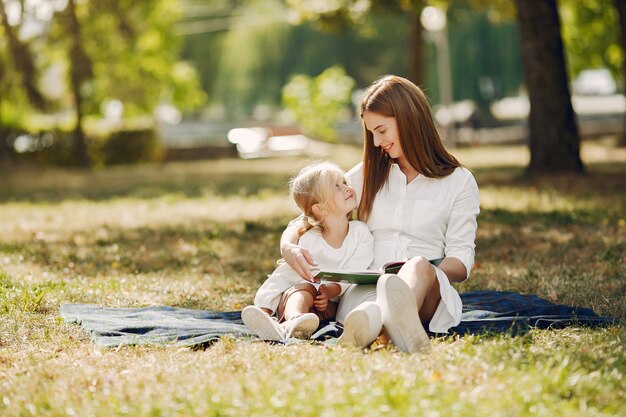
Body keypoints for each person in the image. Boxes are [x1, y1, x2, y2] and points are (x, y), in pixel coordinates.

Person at [279, 75, 480, 353]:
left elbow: (460, 263)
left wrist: (416, 271)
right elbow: (309, 215)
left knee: (417, 266)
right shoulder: (367, 175)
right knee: (369, 304)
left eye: (382, 130)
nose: (375, 142)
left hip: (427, 291)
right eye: (371, 133)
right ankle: (384, 328)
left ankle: (382, 325)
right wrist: (288, 245)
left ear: (409, 119)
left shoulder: (459, 181)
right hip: (365, 290)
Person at [242, 161, 374, 340]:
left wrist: (331, 291)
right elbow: (284, 276)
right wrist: (263, 307)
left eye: (344, 182)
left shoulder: (361, 233)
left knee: (318, 295)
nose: (347, 187)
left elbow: (356, 270)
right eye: (336, 186)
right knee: (305, 290)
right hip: (297, 299)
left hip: (329, 306)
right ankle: (293, 321)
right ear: (319, 208)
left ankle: (299, 325)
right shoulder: (310, 239)